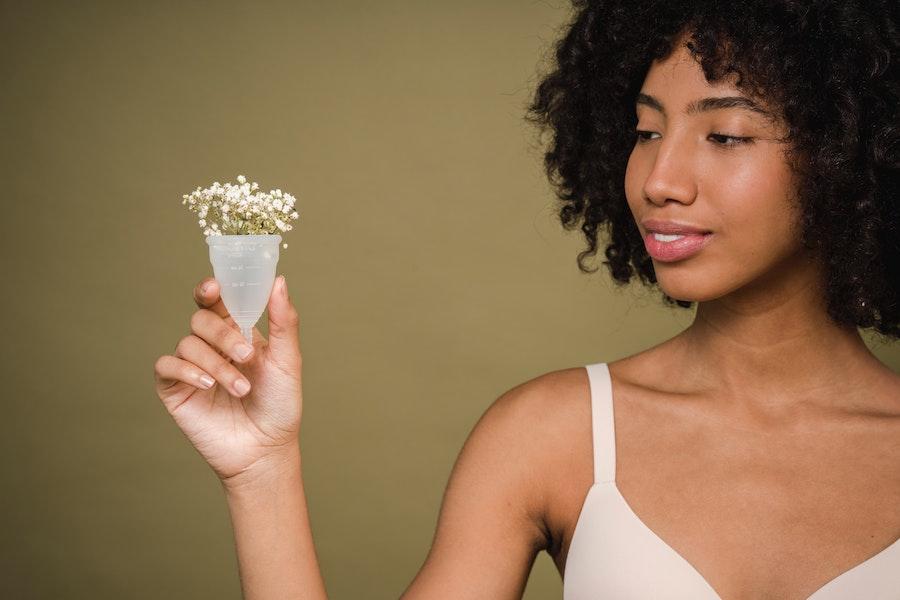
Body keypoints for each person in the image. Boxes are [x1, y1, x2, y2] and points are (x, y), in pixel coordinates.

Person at [154, 0, 899, 598]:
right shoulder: (552, 436)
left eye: (727, 136)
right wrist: (262, 471)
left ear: (853, 153)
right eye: (644, 131)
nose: (658, 179)